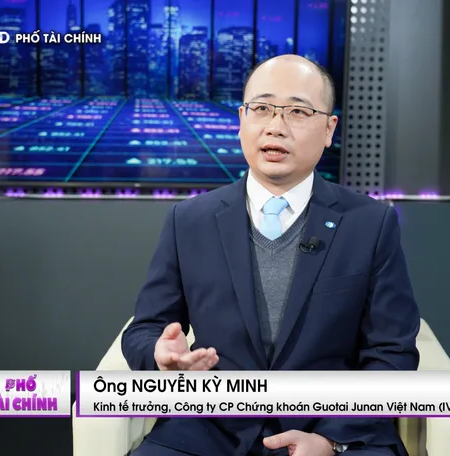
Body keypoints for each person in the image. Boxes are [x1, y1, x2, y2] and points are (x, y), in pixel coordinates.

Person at [121, 54, 421, 456]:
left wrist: (332, 439)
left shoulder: (370, 223)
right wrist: (160, 357)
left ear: (329, 129)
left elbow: (392, 353)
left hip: (327, 427)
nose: (275, 126)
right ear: (242, 119)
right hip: (208, 430)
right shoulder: (188, 220)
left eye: (297, 111)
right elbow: (144, 330)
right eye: (261, 108)